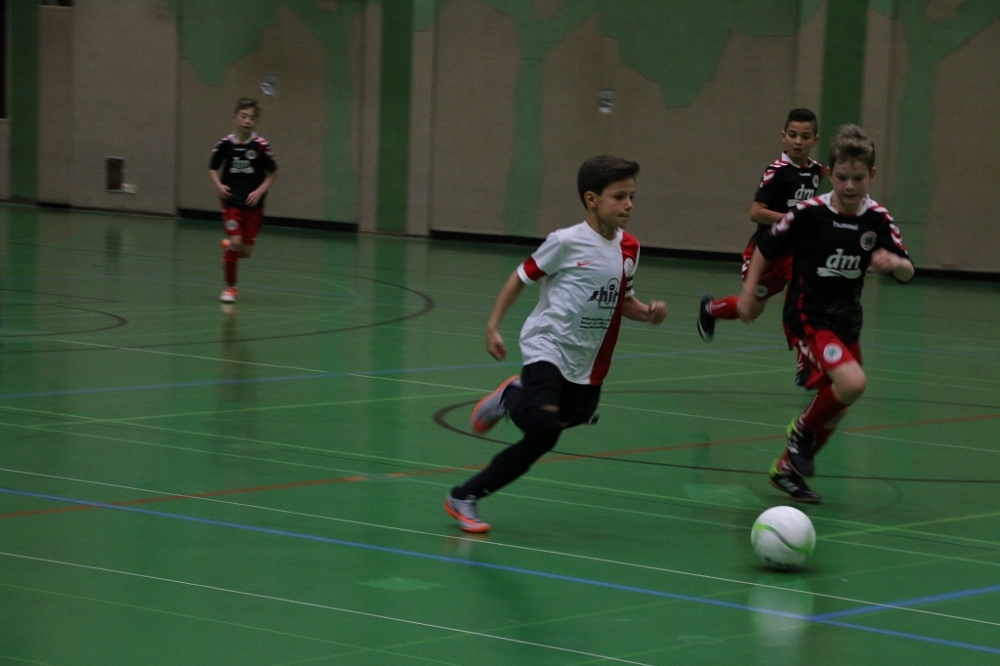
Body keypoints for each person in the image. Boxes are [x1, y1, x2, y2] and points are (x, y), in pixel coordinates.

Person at [444, 155, 668, 533]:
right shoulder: (565, 242)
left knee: (556, 429)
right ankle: (469, 489)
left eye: (632, 196)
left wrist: (647, 313)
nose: (629, 205)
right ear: (591, 199)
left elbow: (623, 300)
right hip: (547, 344)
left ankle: (505, 409)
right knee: (544, 430)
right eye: (619, 197)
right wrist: (493, 326)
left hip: (588, 358)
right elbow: (520, 277)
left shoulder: (630, 248)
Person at [737, 124, 914, 503]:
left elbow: (908, 271)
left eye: (858, 178)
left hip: (846, 320)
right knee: (853, 384)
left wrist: (894, 262)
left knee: (836, 408)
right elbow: (766, 245)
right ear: (830, 173)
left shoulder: (878, 219)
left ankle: (786, 470)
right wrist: (749, 292)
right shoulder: (808, 213)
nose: (850, 186)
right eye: (843, 177)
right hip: (808, 316)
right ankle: (800, 430)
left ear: (872, 175)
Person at [698, 108, 823, 386]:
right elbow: (756, 212)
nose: (798, 142)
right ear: (783, 137)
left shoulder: (817, 171)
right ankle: (711, 309)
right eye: (793, 135)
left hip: (795, 252)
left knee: (802, 299)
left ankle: (804, 362)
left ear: (815, 140)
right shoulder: (776, 172)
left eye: (805, 136)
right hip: (767, 251)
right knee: (749, 311)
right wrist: (792, 218)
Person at [209, 98, 278, 304]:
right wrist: (218, 186)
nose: (248, 121)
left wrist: (259, 191)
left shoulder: (261, 147)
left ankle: (228, 249)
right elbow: (212, 167)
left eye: (252, 118)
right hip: (232, 203)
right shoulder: (224, 145)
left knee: (245, 252)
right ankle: (230, 287)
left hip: (254, 206)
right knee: (237, 243)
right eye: (244, 116)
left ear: (257, 122)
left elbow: (273, 173)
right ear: (235, 118)